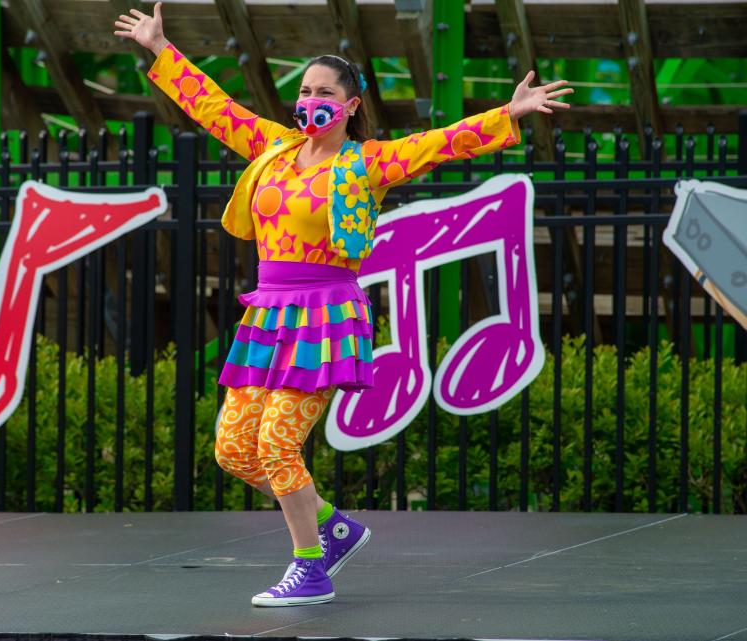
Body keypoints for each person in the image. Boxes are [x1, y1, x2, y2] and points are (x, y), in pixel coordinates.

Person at [114, 2, 572, 607]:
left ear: (351, 106)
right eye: (303, 91)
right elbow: (217, 110)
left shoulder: (366, 162)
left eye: (324, 92)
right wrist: (160, 49)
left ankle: (312, 567)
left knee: (277, 444)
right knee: (233, 450)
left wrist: (506, 114)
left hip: (324, 317)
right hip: (268, 315)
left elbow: (438, 144)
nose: (309, 101)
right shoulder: (274, 150)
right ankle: (332, 526)